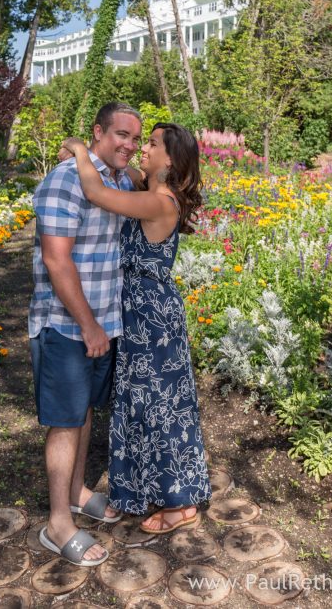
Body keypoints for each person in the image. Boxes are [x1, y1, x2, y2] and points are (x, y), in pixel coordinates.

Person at [62, 122, 212, 535]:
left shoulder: (160, 202)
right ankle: (156, 491)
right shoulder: (151, 190)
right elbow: (121, 168)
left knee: (160, 409)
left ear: (171, 159)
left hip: (152, 315)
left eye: (152, 144)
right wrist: (107, 157)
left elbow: (96, 192)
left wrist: (78, 150)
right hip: (141, 312)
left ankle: (180, 504)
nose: (142, 148)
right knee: (144, 406)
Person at [29, 102, 142, 567]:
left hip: (104, 323)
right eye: (120, 134)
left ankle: (77, 492)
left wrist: (85, 150)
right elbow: (57, 260)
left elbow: (140, 172)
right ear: (97, 131)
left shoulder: (114, 180)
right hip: (67, 323)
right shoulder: (65, 179)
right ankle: (58, 523)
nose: (129, 145)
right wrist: (88, 324)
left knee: (85, 413)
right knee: (65, 420)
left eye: (136, 138)